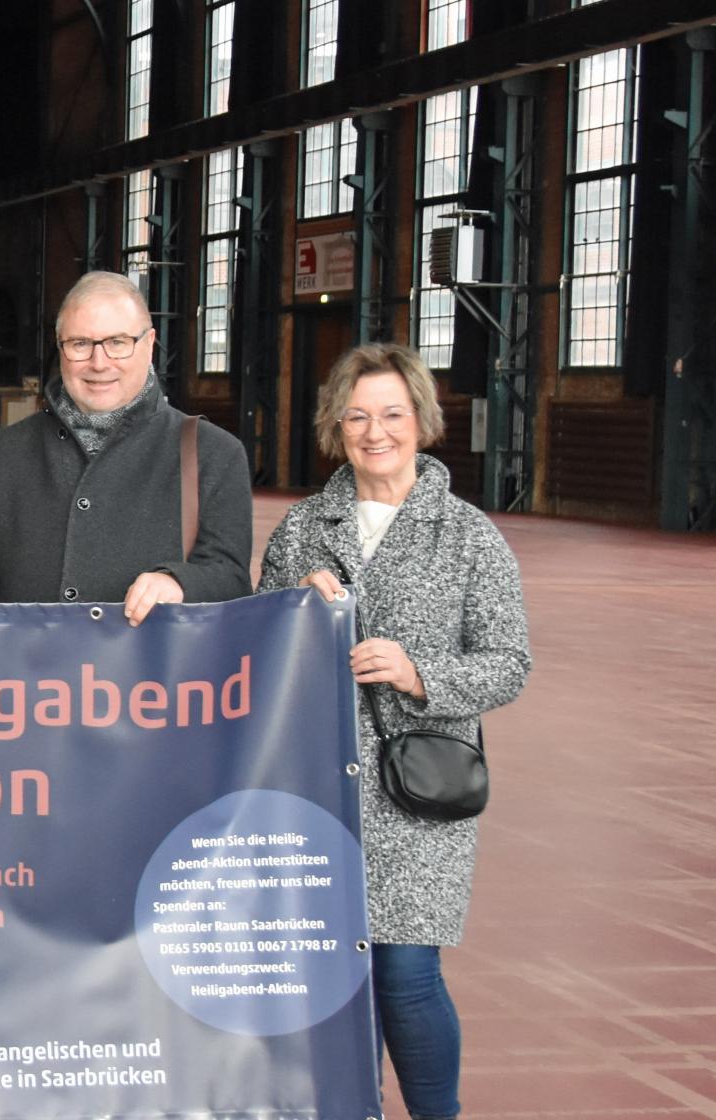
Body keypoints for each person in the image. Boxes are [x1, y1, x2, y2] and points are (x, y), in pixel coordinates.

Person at [258, 343, 531, 1120]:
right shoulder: (305, 527)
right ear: (334, 426)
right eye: (357, 416)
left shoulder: (470, 536)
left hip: (418, 789)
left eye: (391, 415)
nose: (375, 432)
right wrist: (293, 603)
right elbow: (256, 645)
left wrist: (421, 674)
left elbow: (509, 663)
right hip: (317, 784)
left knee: (405, 973)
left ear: (421, 422)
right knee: (329, 983)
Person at [0, 270, 251, 622]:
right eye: (80, 343)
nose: (99, 363)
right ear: (60, 346)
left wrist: (180, 582)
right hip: (22, 675)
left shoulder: (215, 454)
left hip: (150, 676)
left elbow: (232, 578)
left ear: (149, 343)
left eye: (118, 342)